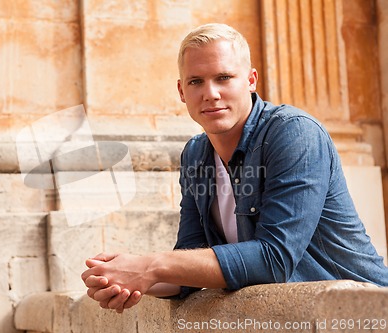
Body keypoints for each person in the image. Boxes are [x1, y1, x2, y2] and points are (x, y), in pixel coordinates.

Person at [81, 23, 388, 313]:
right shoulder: (195, 154)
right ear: (181, 91)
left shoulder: (294, 133)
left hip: (360, 313)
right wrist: (124, 278)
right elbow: (190, 260)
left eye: (224, 77)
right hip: (284, 317)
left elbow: (274, 259)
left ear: (251, 80)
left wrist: (149, 266)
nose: (210, 93)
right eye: (196, 81)